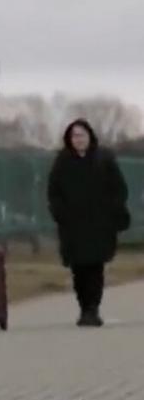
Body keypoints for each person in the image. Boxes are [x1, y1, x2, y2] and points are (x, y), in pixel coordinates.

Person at [47, 118, 130, 327]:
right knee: (79, 269)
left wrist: (113, 209)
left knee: (95, 267)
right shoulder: (62, 161)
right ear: (69, 139)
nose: (78, 139)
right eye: (74, 136)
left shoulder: (104, 158)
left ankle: (93, 308)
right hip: (73, 225)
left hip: (99, 224)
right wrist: (60, 213)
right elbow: (53, 191)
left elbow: (119, 188)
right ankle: (84, 307)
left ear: (89, 136)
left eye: (82, 135)